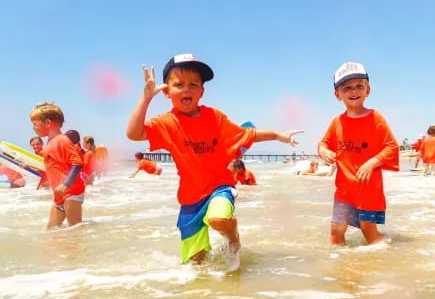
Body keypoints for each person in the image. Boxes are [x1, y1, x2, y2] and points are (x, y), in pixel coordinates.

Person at [126, 53, 302, 265]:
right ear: (166, 91)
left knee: (217, 219)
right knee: (196, 263)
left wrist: (277, 135)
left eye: (193, 84)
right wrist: (146, 97)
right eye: (179, 84)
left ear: (202, 91)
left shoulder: (214, 117)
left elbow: (246, 134)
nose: (187, 89)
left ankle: (233, 236)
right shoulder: (166, 123)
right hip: (190, 199)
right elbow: (134, 134)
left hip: (220, 187)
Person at [318, 62, 399, 246]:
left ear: (367, 90)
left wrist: (372, 162)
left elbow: (391, 146)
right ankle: (338, 264)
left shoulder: (375, 117)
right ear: (337, 94)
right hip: (344, 190)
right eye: (347, 88)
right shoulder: (336, 122)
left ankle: (385, 247)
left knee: (367, 230)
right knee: (336, 230)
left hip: (368, 189)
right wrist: (324, 150)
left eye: (359, 86)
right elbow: (323, 142)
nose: (353, 91)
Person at [30, 103, 85, 229]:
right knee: (51, 230)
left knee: (75, 229)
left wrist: (66, 184)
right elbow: (50, 161)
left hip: (71, 191)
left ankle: (79, 249)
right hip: (59, 194)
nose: (33, 128)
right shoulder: (51, 142)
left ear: (48, 123)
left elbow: (77, 163)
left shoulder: (62, 140)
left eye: (35, 124)